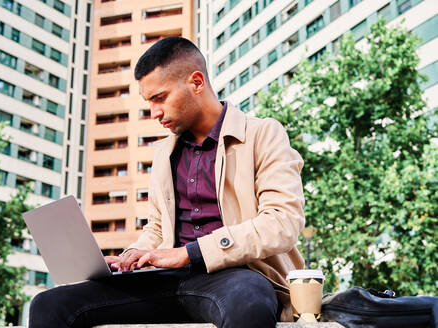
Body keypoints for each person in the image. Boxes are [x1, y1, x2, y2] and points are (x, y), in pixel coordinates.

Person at [29, 36, 305, 328]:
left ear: (196, 82)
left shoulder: (263, 134)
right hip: (166, 282)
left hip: (237, 276)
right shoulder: (164, 153)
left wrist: (188, 254)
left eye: (160, 98)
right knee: (50, 304)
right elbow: (157, 229)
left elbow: (282, 222)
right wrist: (131, 257)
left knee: (249, 303)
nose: (154, 113)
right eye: (149, 102)